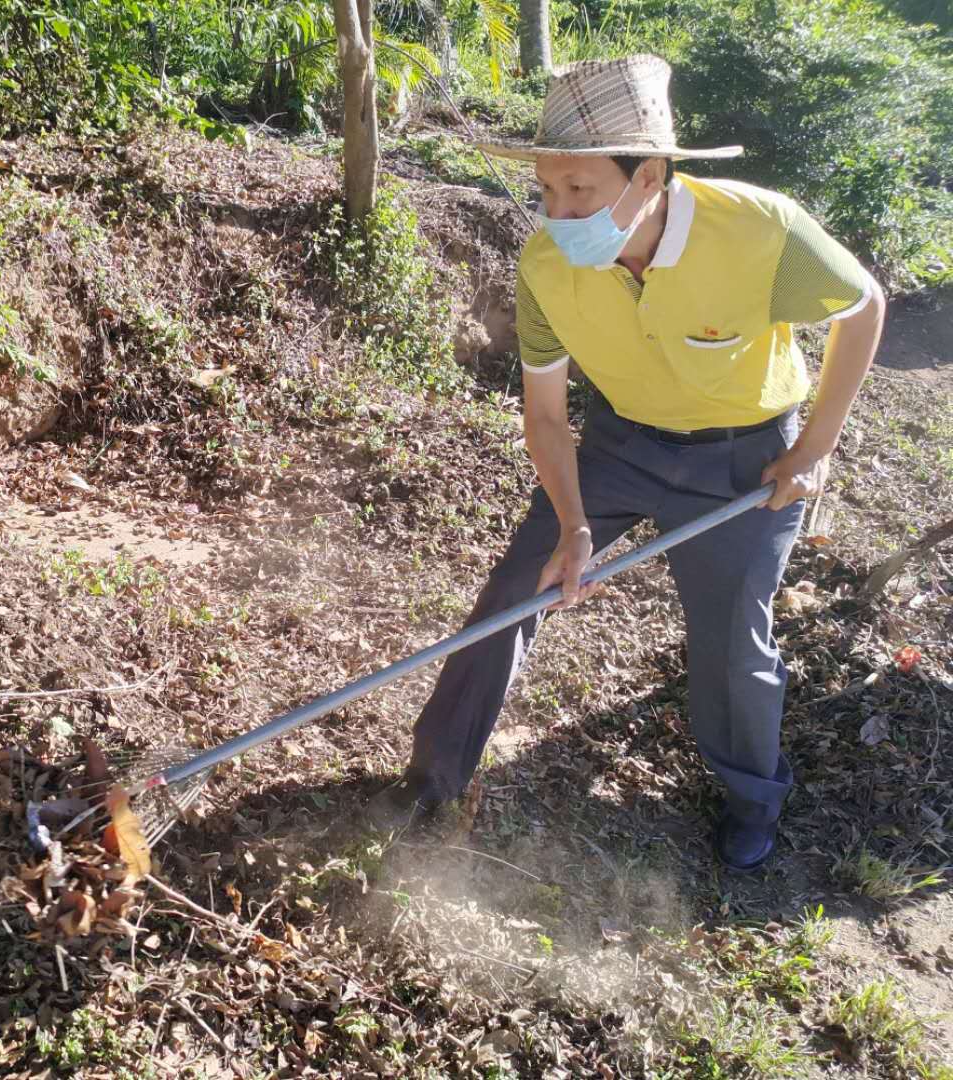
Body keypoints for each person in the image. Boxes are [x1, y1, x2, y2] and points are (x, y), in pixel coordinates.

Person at [368, 54, 886, 870]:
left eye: (580, 191)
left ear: (648, 175)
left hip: (744, 458)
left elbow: (864, 310)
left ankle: (754, 800)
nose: (559, 211)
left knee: (731, 643)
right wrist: (572, 525)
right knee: (517, 587)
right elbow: (545, 414)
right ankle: (433, 778)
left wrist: (814, 448)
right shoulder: (548, 265)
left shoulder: (761, 229)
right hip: (622, 444)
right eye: (547, 190)